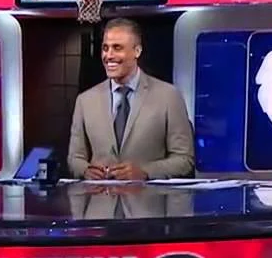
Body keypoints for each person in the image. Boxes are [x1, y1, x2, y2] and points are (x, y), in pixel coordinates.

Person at [67, 18, 195, 181]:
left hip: (148, 197)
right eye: (105, 48)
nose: (108, 56)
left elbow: (184, 159)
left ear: (137, 51)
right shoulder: (85, 101)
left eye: (117, 48)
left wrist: (145, 172)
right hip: (99, 196)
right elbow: (75, 159)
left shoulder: (168, 96)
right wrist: (85, 170)